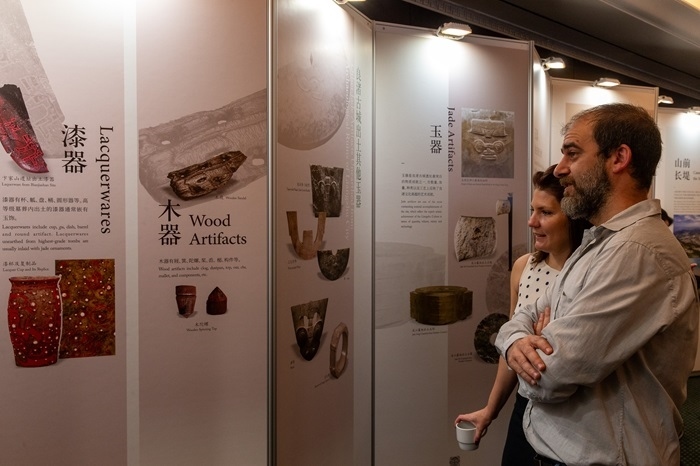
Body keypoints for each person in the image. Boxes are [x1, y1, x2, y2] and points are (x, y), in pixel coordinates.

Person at [495, 103, 700, 466]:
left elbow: (550, 376)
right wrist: (515, 341)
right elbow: (524, 315)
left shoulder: (638, 252)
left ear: (618, 158)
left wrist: (529, 348)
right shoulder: (600, 244)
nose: (560, 169)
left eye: (572, 153)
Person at [454, 165, 589, 465]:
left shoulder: (589, 276)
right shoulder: (524, 267)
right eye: (532, 210)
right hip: (524, 406)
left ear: (573, 217)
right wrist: (490, 410)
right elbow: (510, 350)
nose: (531, 221)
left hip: (571, 417)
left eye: (545, 212)